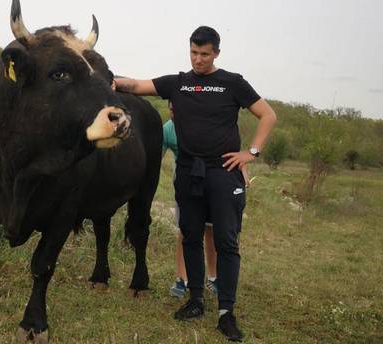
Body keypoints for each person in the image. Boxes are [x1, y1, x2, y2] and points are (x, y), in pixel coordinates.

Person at [116, 26, 276, 342]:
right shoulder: (179, 83)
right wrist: (104, 77)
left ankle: (226, 312)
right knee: (190, 235)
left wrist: (251, 153)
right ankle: (195, 300)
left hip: (223, 171)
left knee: (226, 241)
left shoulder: (232, 83)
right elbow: (136, 85)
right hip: (190, 172)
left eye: (204, 54)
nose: (198, 59)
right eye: (194, 52)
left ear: (216, 52)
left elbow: (268, 115)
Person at [164, 105, 250, 300]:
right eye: (171, 108)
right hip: (187, 180)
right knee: (186, 230)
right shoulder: (168, 129)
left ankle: (213, 277)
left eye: (177, 108)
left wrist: (242, 171)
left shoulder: (209, 124)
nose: (174, 112)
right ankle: (182, 278)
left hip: (215, 179)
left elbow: (233, 151)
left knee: (212, 230)